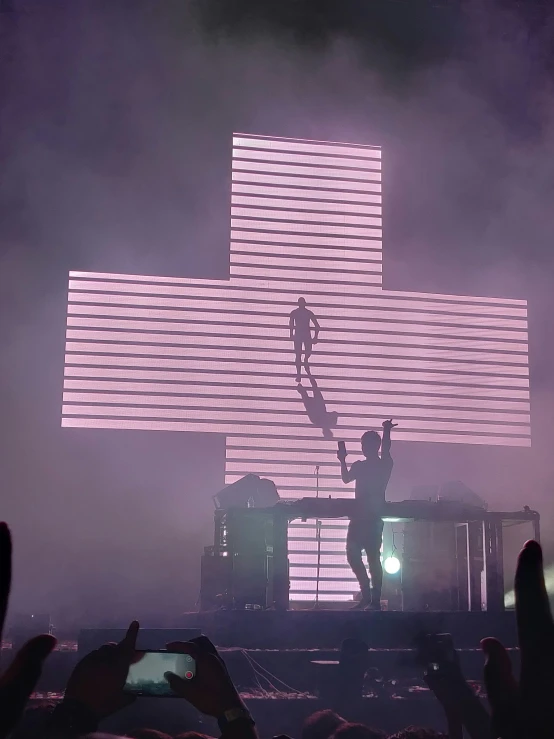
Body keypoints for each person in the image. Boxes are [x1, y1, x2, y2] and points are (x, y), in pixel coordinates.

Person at [337, 420, 397, 610]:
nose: (363, 448)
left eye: (366, 444)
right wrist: (342, 461)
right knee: (362, 557)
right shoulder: (374, 466)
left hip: (367, 519)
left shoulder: (380, 465)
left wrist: (386, 431)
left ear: (374, 446)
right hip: (364, 519)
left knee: (368, 558)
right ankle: (371, 597)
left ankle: (372, 598)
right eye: (362, 444)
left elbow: (346, 479)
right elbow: (346, 479)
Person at [289, 297, 320, 382]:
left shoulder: (307, 313)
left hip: (304, 336)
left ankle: (305, 361)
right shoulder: (295, 313)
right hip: (300, 336)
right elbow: (291, 324)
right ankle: (299, 374)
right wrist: (291, 334)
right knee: (298, 355)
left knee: (306, 353)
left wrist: (315, 337)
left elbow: (317, 326)